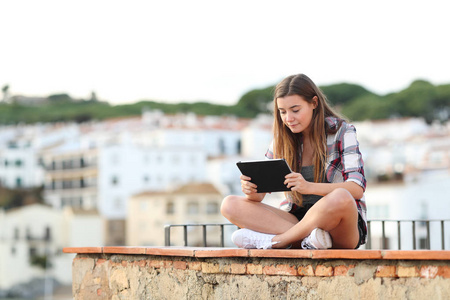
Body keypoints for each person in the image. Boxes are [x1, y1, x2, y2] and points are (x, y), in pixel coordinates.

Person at [221, 74, 367, 250]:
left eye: (295, 110)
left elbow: (356, 189)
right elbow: (258, 197)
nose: (288, 118)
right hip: (296, 218)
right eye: (283, 112)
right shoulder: (281, 140)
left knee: (341, 196)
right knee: (229, 204)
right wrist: (251, 189)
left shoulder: (342, 132)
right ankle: (312, 240)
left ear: (314, 103)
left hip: (338, 227)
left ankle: (278, 241)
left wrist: (308, 187)